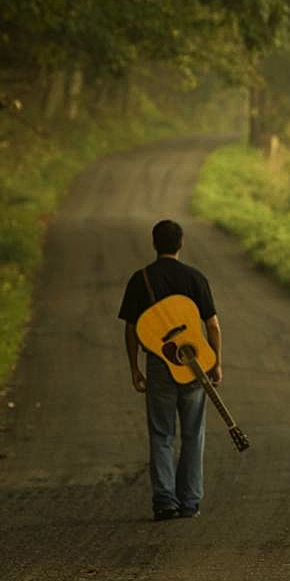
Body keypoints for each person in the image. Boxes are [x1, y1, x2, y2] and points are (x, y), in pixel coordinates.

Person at [118, 219, 223, 521]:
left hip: (160, 364)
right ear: (181, 243)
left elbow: (131, 329)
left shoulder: (141, 280)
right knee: (193, 433)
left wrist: (134, 368)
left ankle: (165, 501)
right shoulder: (195, 278)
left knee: (161, 433)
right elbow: (212, 325)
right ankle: (189, 502)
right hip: (194, 366)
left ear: (154, 244)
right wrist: (216, 362)